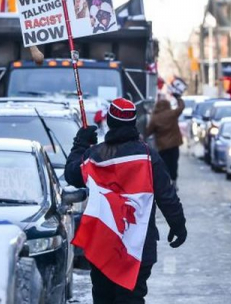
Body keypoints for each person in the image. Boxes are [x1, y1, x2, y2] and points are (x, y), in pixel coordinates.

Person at [65, 98, 186, 304]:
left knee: (103, 298)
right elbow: (167, 196)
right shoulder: (148, 157)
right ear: (133, 123)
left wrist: (81, 144)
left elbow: (72, 175)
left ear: (110, 123)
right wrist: (178, 225)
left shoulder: (94, 156)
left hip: (103, 246)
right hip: (138, 248)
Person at [146, 94, 185, 189]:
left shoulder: (155, 118)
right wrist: (178, 97)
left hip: (162, 146)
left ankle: (166, 184)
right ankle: (174, 182)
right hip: (174, 144)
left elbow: (148, 131)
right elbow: (181, 107)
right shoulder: (172, 114)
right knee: (174, 164)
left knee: (164, 165)